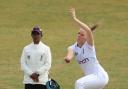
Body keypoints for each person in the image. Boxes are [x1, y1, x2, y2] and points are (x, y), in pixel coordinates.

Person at [64, 8, 109, 89]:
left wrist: (75, 18)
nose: (79, 35)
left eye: (82, 35)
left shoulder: (89, 45)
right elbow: (69, 55)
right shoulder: (72, 47)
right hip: (93, 79)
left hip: (100, 76)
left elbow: (88, 30)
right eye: (78, 33)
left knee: (79, 83)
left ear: (86, 37)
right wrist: (68, 58)